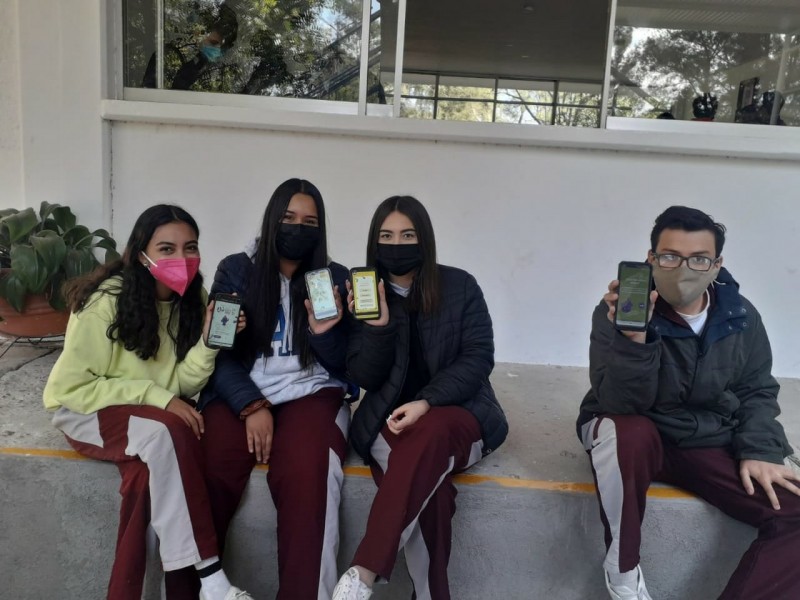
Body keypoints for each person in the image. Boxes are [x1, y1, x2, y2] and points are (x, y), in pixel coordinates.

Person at [577, 205, 800, 600]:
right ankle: (623, 575)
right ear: (651, 259)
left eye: (698, 259)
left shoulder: (740, 315)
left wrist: (760, 449)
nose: (683, 270)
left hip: (705, 439)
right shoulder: (618, 312)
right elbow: (619, 402)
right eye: (670, 257)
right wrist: (634, 340)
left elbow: (756, 389)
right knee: (626, 431)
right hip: (636, 433)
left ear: (716, 265)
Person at [42, 205, 251, 600]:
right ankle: (211, 576)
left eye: (190, 248)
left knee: (145, 479)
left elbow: (181, 382)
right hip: (85, 409)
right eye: (167, 249)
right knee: (168, 431)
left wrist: (209, 341)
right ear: (142, 255)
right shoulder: (105, 301)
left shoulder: (193, 299)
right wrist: (159, 398)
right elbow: (70, 387)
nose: (181, 259)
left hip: (151, 416)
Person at [332, 195, 508, 600]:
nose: (397, 244)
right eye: (387, 236)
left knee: (431, 431)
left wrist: (427, 401)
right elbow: (363, 375)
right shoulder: (364, 294)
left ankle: (363, 572)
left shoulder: (460, 286)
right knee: (434, 495)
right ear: (375, 242)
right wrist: (377, 327)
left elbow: (479, 357)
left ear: (424, 239)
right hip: (388, 420)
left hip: (457, 412)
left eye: (407, 235)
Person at [197, 178, 352, 599]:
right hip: (241, 392)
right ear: (271, 220)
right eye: (288, 218)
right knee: (207, 464)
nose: (297, 228)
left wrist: (325, 333)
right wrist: (251, 404)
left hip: (311, 393)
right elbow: (218, 352)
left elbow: (346, 365)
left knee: (309, 473)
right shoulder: (238, 270)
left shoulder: (332, 277)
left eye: (309, 222)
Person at [142, 2, 238, 91]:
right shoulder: (168, 56)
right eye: (213, 43)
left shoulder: (230, 71)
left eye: (224, 47)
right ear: (201, 35)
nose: (218, 50)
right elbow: (150, 96)